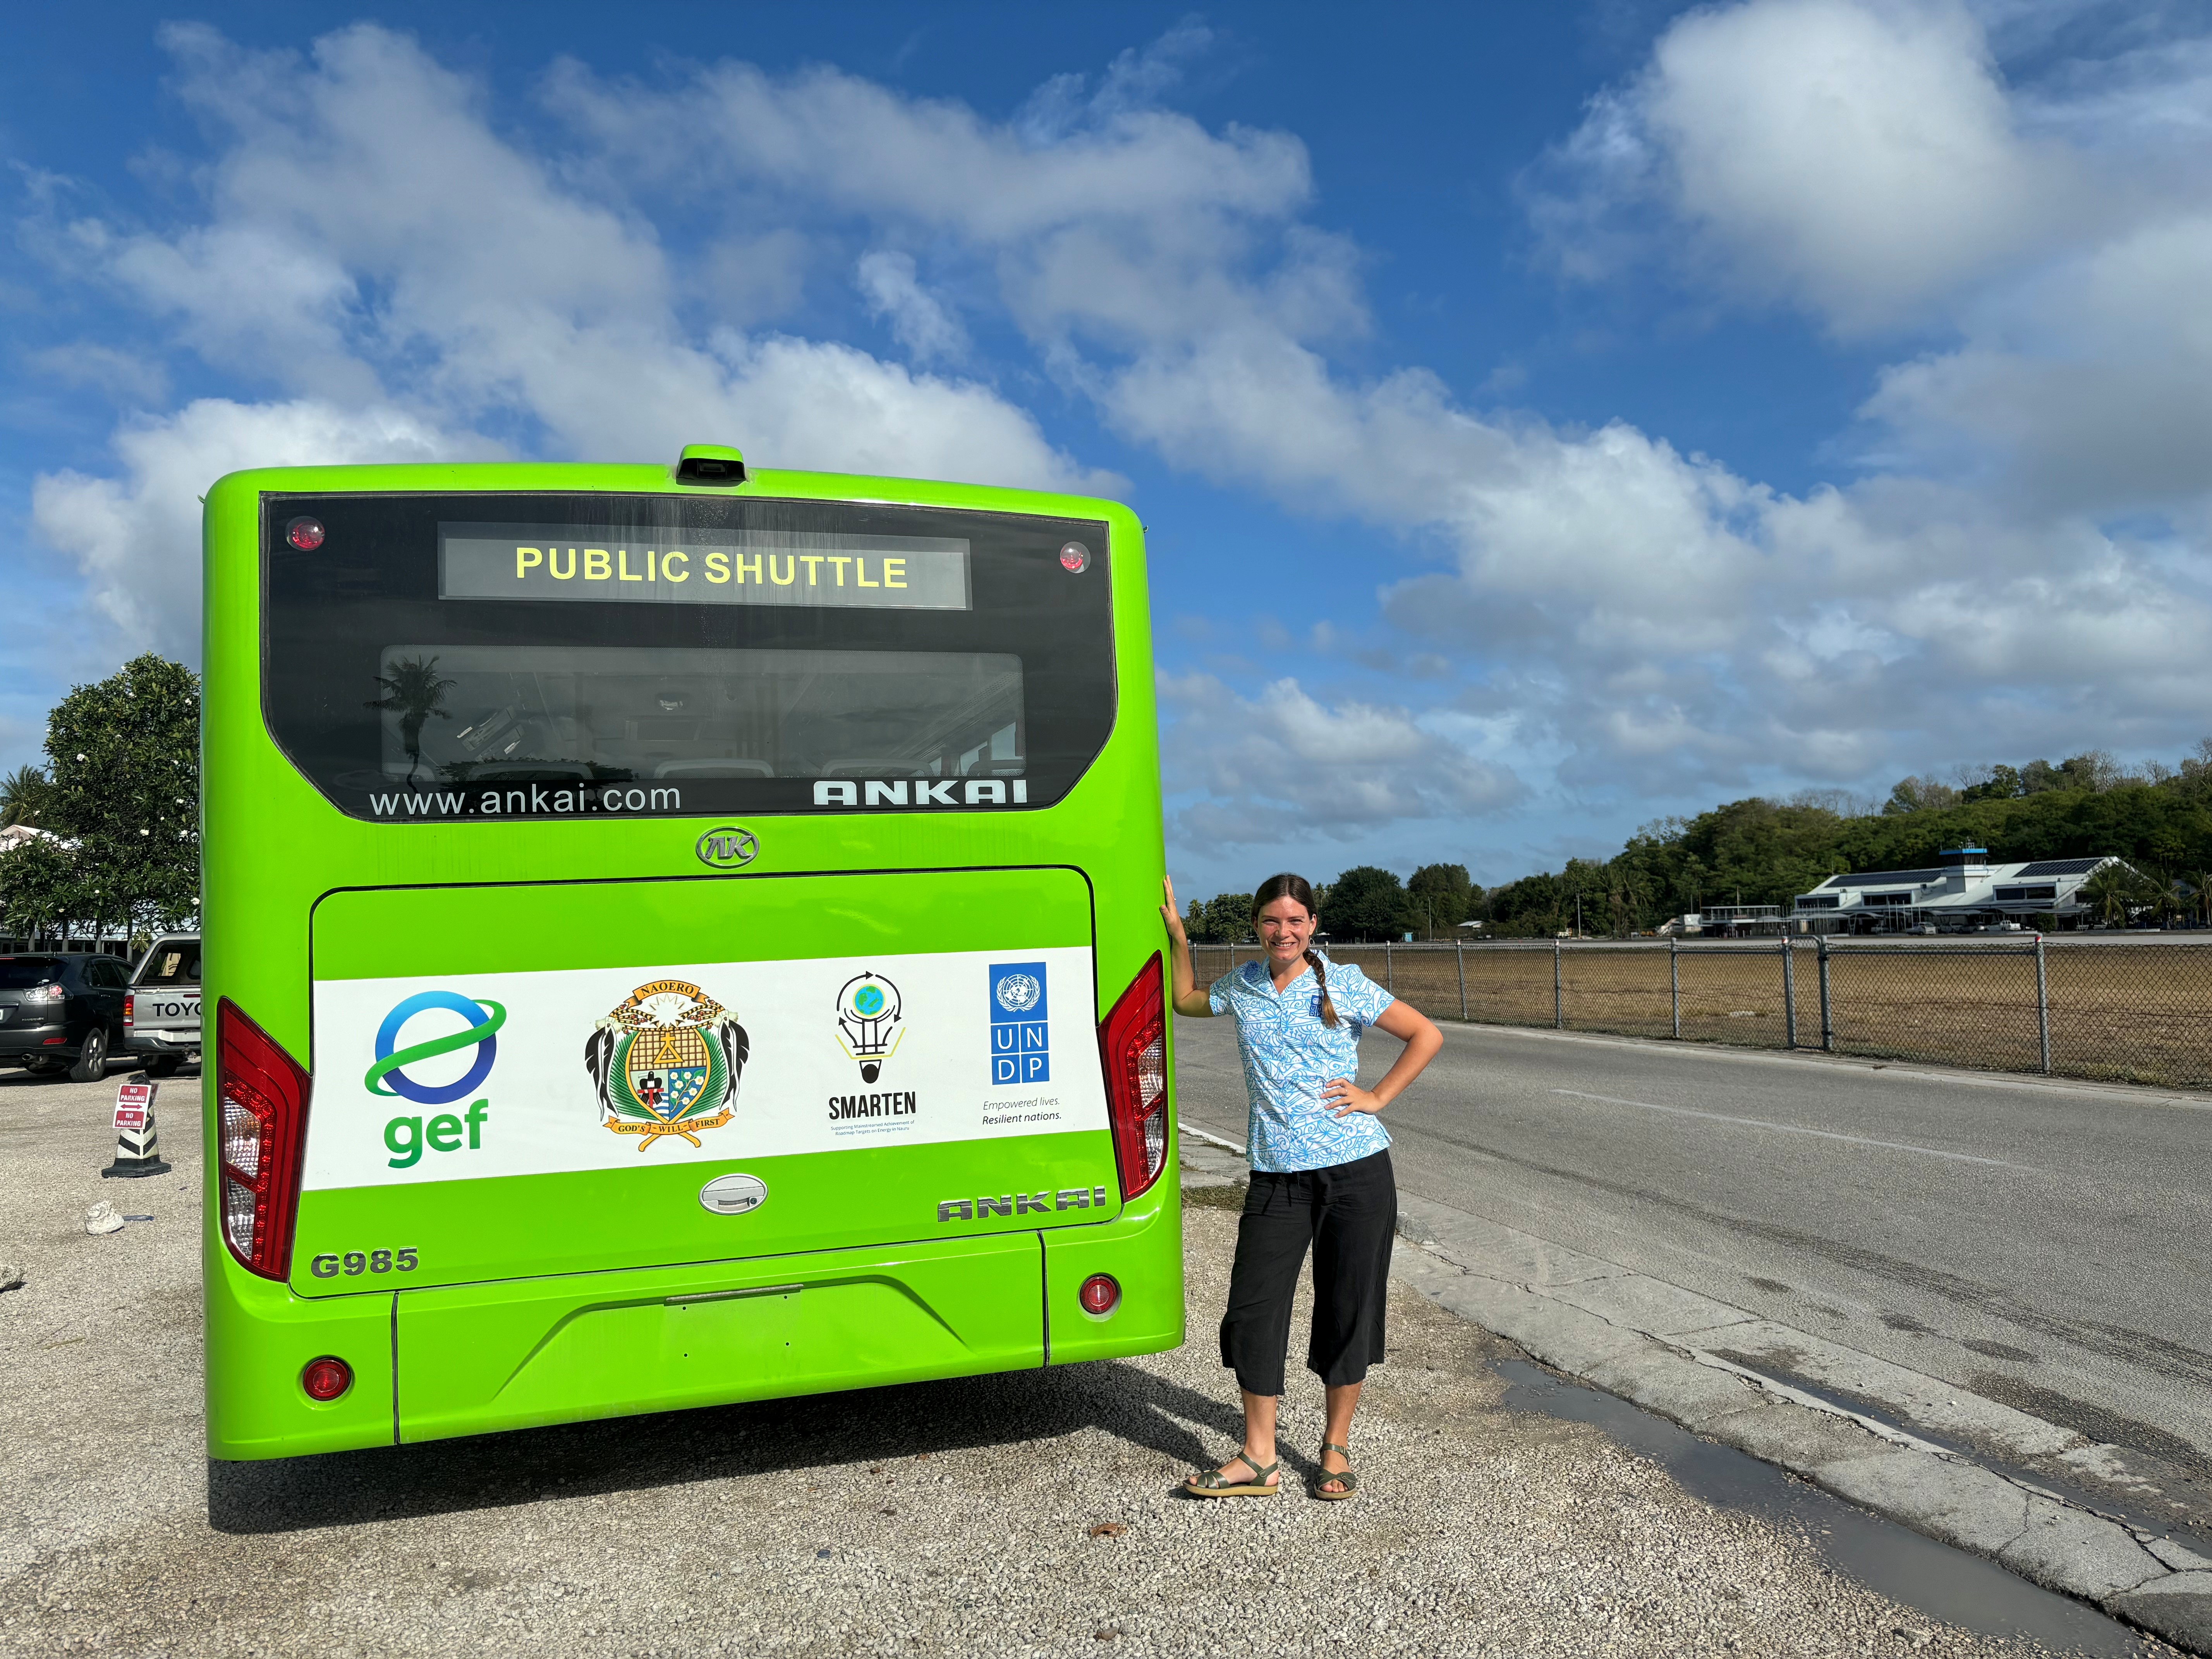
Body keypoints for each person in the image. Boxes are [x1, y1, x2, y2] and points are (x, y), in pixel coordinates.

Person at [1163, 872, 1443, 1500]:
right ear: (1258, 926)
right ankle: (1258, 1457)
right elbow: (1185, 1000)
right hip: (1276, 1177)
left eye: (1295, 921)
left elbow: (1426, 1034)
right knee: (1253, 1310)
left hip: (1357, 1173)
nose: (1283, 931)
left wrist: (1376, 1097)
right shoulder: (1242, 984)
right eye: (1271, 921)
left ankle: (1335, 1447)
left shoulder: (1342, 982)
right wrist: (1178, 936)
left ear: (1312, 925)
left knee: (1348, 1307)